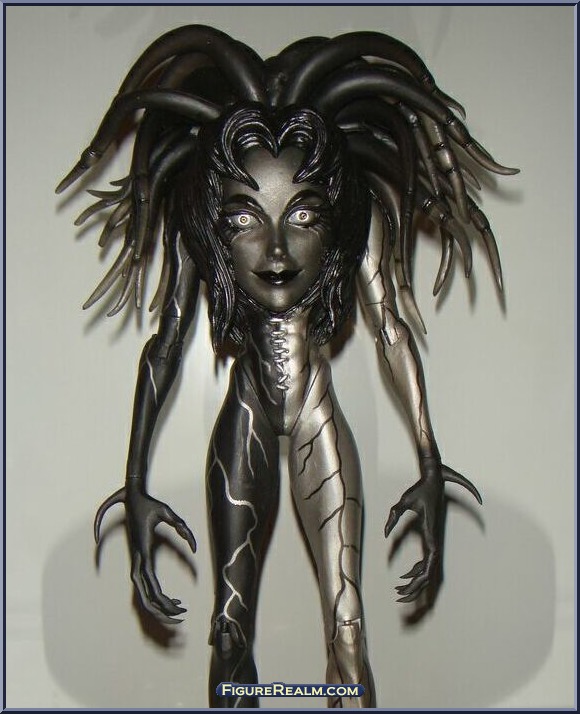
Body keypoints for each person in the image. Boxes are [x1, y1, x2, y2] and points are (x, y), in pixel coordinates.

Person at [57, 26, 518, 708]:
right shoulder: (195, 232)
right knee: (229, 632)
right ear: (214, 221)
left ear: (334, 214)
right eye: (245, 219)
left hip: (316, 422)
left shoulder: (356, 229)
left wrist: (428, 457)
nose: (275, 251)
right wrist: (134, 480)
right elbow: (165, 343)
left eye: (302, 215)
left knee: (349, 628)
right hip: (244, 420)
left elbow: (391, 329)